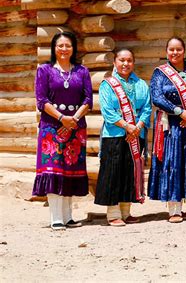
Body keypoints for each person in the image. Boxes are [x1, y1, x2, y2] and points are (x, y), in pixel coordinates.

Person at [33, 31, 93, 230]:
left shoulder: (82, 71)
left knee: (70, 171)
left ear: (73, 48)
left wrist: (73, 119)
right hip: (52, 127)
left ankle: (68, 216)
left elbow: (88, 100)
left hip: (76, 127)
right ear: (54, 48)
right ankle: (56, 217)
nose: (64, 49)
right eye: (60, 46)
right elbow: (41, 101)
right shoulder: (44, 70)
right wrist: (61, 118)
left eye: (68, 45)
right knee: (53, 171)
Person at [148, 37, 186, 223]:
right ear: (166, 51)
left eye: (178, 49)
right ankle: (173, 209)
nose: (175, 53)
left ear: (185, 50)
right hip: (170, 124)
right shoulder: (160, 73)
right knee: (171, 161)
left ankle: (181, 206)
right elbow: (156, 96)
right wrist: (179, 111)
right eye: (171, 50)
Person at [94, 49, 152, 226]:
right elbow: (107, 112)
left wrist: (138, 127)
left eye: (129, 60)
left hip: (136, 134)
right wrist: (127, 126)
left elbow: (147, 108)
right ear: (114, 62)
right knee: (113, 172)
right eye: (122, 60)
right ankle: (113, 214)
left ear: (133, 63)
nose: (125, 64)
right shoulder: (107, 85)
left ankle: (126, 212)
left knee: (130, 172)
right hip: (115, 135)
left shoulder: (141, 84)